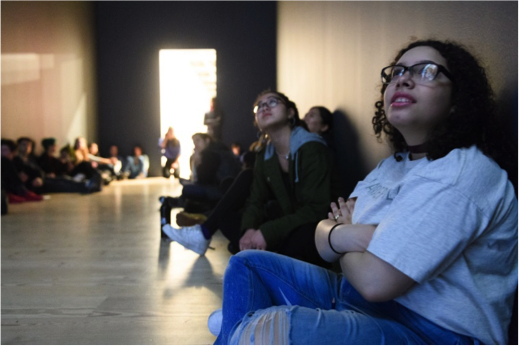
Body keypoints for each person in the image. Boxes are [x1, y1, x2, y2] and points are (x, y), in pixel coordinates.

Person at [210, 40, 519, 345]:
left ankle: (241, 325)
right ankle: (241, 327)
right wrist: (353, 235)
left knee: (266, 330)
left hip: (432, 330)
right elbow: (324, 234)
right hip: (356, 297)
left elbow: (375, 280)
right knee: (246, 263)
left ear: (457, 100)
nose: (403, 78)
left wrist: (343, 233)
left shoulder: (462, 172)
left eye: (426, 71)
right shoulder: (392, 166)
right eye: (397, 72)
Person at [162, 91, 337, 268]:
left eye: (273, 102)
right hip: (285, 220)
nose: (265, 107)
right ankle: (260, 253)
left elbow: (316, 211)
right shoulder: (266, 154)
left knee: (305, 236)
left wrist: (266, 232)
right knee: (226, 218)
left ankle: (257, 253)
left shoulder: (311, 149)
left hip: (312, 227)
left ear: (290, 113)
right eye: (259, 106)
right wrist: (249, 230)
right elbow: (256, 200)